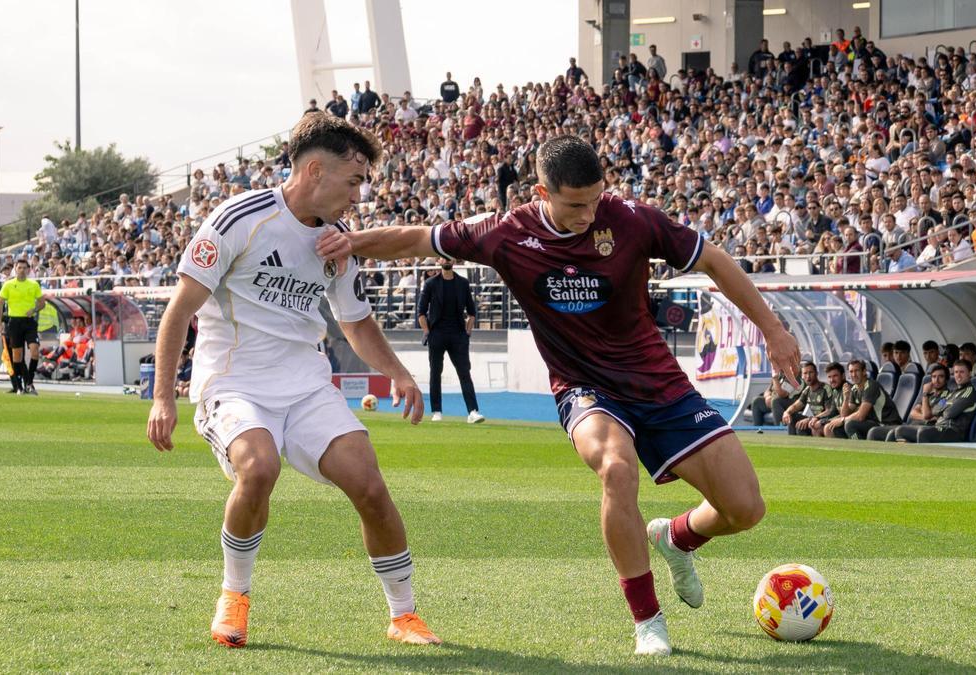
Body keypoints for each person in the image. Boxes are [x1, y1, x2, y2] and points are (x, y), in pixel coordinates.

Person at [317, 134, 801, 656]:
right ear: (541, 192)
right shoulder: (505, 233)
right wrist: (353, 242)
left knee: (745, 508)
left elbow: (714, 260)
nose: (591, 212)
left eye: (596, 198)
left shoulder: (632, 219)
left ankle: (676, 537)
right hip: (585, 388)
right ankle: (648, 621)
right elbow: (419, 239)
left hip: (659, 381)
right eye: (576, 203)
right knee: (616, 467)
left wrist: (773, 329)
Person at [146, 113, 441, 650]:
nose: (358, 195)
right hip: (234, 384)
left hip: (306, 387)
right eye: (352, 182)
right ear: (312, 171)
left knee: (370, 485)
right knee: (259, 467)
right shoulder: (240, 218)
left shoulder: (337, 242)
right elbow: (180, 308)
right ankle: (234, 596)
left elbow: (354, 321)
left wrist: (397, 372)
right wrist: (162, 395)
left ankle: (404, 615)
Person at [417, 257, 484, 423]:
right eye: (443, 257)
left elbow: (472, 312)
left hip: (458, 335)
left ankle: (473, 411)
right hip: (437, 334)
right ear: (439, 260)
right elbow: (421, 312)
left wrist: (467, 333)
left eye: (449, 257)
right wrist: (428, 332)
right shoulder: (431, 283)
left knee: (464, 373)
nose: (446, 260)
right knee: (435, 373)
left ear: (454, 260)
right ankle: (437, 411)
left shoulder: (463, 283)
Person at [893, 360, 976, 443]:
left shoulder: (969, 392)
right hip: (939, 427)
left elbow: (949, 413)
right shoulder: (953, 393)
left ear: (969, 373)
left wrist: (944, 408)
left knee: (923, 433)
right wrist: (947, 406)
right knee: (901, 431)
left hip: (953, 430)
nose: (958, 375)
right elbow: (935, 409)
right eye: (956, 372)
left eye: (962, 372)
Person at [0, 259, 45, 395]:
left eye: (24, 268)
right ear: (15, 269)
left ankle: (29, 382)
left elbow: (42, 303)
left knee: (35, 351)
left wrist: (34, 310)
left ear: (29, 270)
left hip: (29, 322)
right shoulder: (8, 285)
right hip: (14, 322)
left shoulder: (34, 284)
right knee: (17, 356)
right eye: (19, 267)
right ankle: (19, 387)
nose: (22, 270)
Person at [868, 364, 950, 441]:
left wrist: (925, 394)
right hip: (912, 425)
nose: (936, 380)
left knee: (893, 434)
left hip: (925, 428)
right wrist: (925, 416)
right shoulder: (930, 394)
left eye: (941, 377)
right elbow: (913, 413)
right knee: (874, 431)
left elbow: (927, 414)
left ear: (946, 379)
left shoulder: (947, 397)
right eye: (934, 377)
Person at [839, 359, 903, 439]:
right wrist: (846, 398)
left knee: (850, 424)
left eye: (857, 371)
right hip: (874, 423)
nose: (854, 374)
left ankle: (860, 449)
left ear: (864, 371)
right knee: (836, 427)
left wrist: (842, 420)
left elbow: (860, 416)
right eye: (851, 371)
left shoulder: (871, 386)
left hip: (887, 424)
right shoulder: (854, 389)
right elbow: (844, 415)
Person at [780, 362, 833, 435]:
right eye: (805, 373)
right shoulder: (807, 390)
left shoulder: (826, 389)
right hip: (811, 420)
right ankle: (792, 443)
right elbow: (795, 406)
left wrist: (809, 419)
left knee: (801, 428)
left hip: (822, 421)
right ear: (802, 376)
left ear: (816, 373)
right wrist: (786, 412)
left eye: (811, 372)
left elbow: (829, 411)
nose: (808, 376)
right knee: (792, 416)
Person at [808, 362, 850, 438]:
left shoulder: (848, 389)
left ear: (843, 376)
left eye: (835, 376)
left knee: (828, 428)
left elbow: (846, 414)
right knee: (816, 427)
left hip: (848, 423)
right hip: (841, 421)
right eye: (829, 377)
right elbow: (832, 412)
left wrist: (823, 421)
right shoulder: (835, 391)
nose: (832, 380)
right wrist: (817, 418)